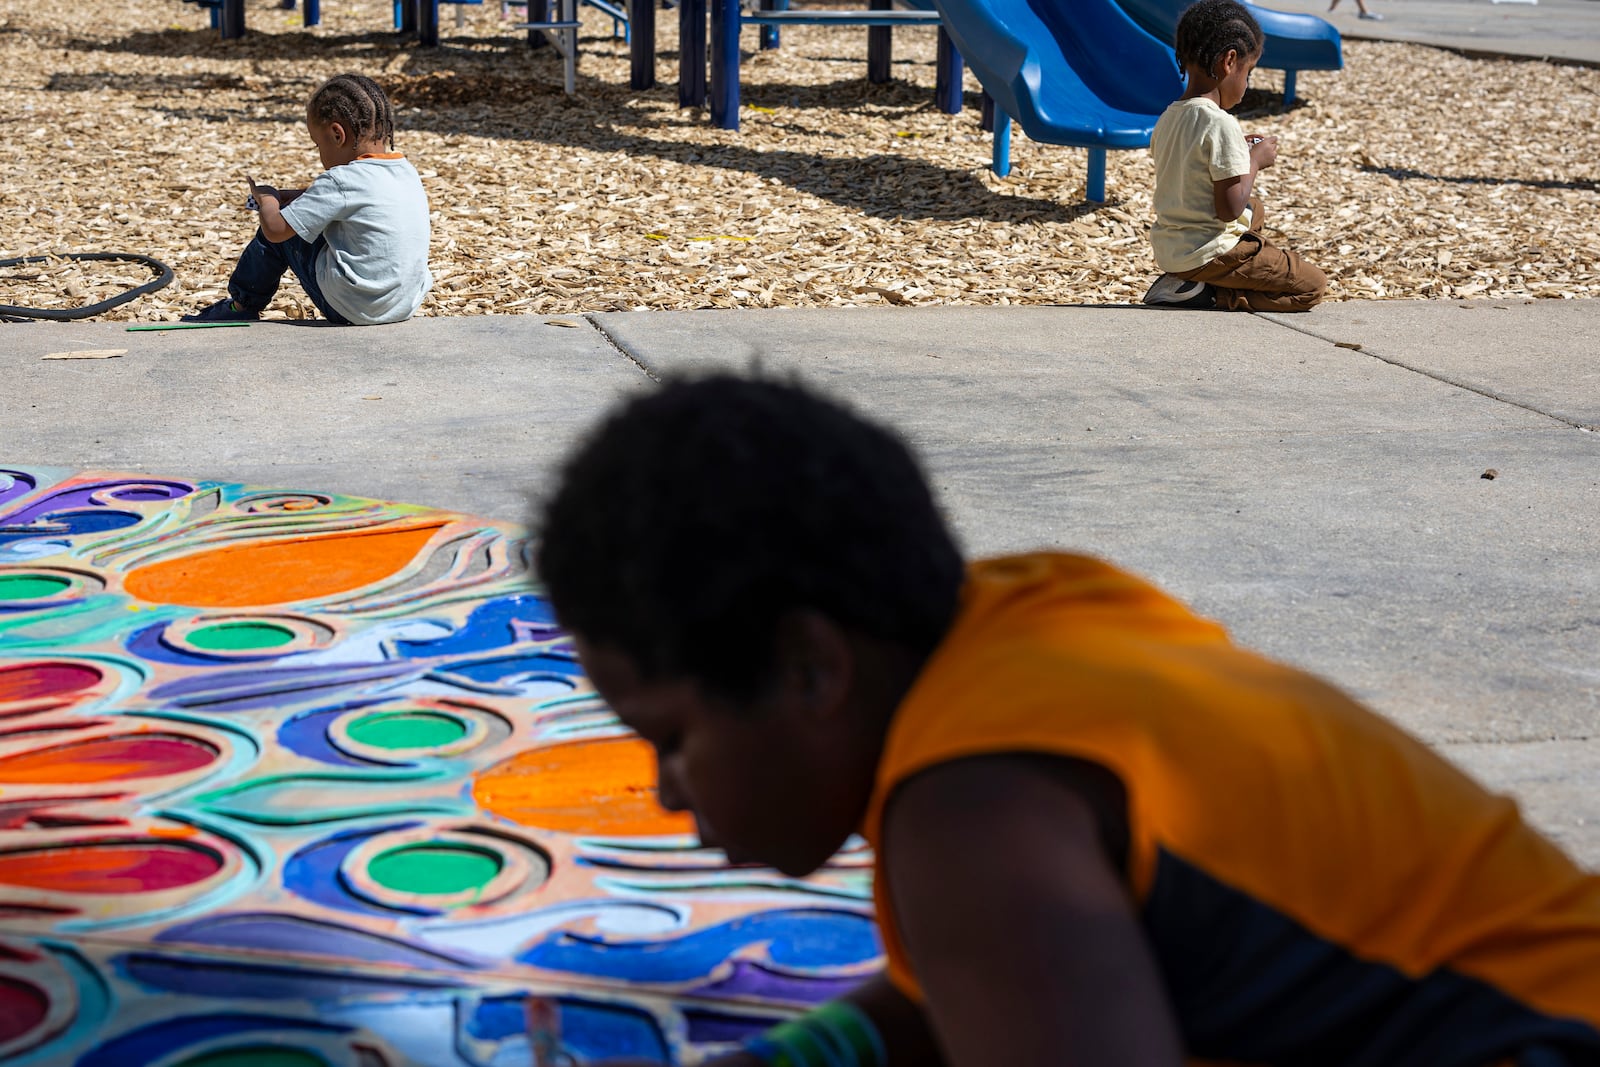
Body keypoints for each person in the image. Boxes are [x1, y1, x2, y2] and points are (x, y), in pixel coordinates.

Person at [534, 373, 1600, 1067]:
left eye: (670, 734)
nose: (668, 788)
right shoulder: (1029, 613)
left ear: (812, 667)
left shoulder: (972, 816)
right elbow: (985, 987)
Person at [182, 73, 432, 325]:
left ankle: (241, 305)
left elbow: (276, 230)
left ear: (337, 134)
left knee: (278, 231)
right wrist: (301, 196)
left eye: (318, 144)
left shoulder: (341, 180)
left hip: (354, 308)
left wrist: (267, 198)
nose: (319, 154)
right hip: (401, 305)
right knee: (300, 219)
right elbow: (361, 201)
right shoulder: (405, 170)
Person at [1143, 0, 1326, 312]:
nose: (1247, 83)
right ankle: (1210, 294)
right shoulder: (1220, 122)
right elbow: (1229, 209)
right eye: (1249, 72)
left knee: (1256, 209)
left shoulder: (1171, 115)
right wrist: (1254, 161)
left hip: (1173, 247)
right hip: (1206, 252)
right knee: (1311, 286)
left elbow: (1193, 161)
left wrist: (1236, 150)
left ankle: (1189, 282)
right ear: (1229, 61)